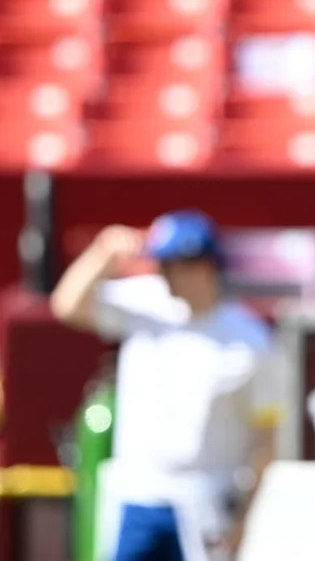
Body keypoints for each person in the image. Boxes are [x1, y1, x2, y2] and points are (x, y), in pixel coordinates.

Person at [50, 210, 284, 561]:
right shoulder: (145, 302)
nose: (161, 274)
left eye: (171, 265)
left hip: (206, 498)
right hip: (137, 490)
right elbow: (66, 305)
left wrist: (246, 515)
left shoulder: (250, 339)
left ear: (203, 266)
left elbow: (265, 436)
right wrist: (103, 253)